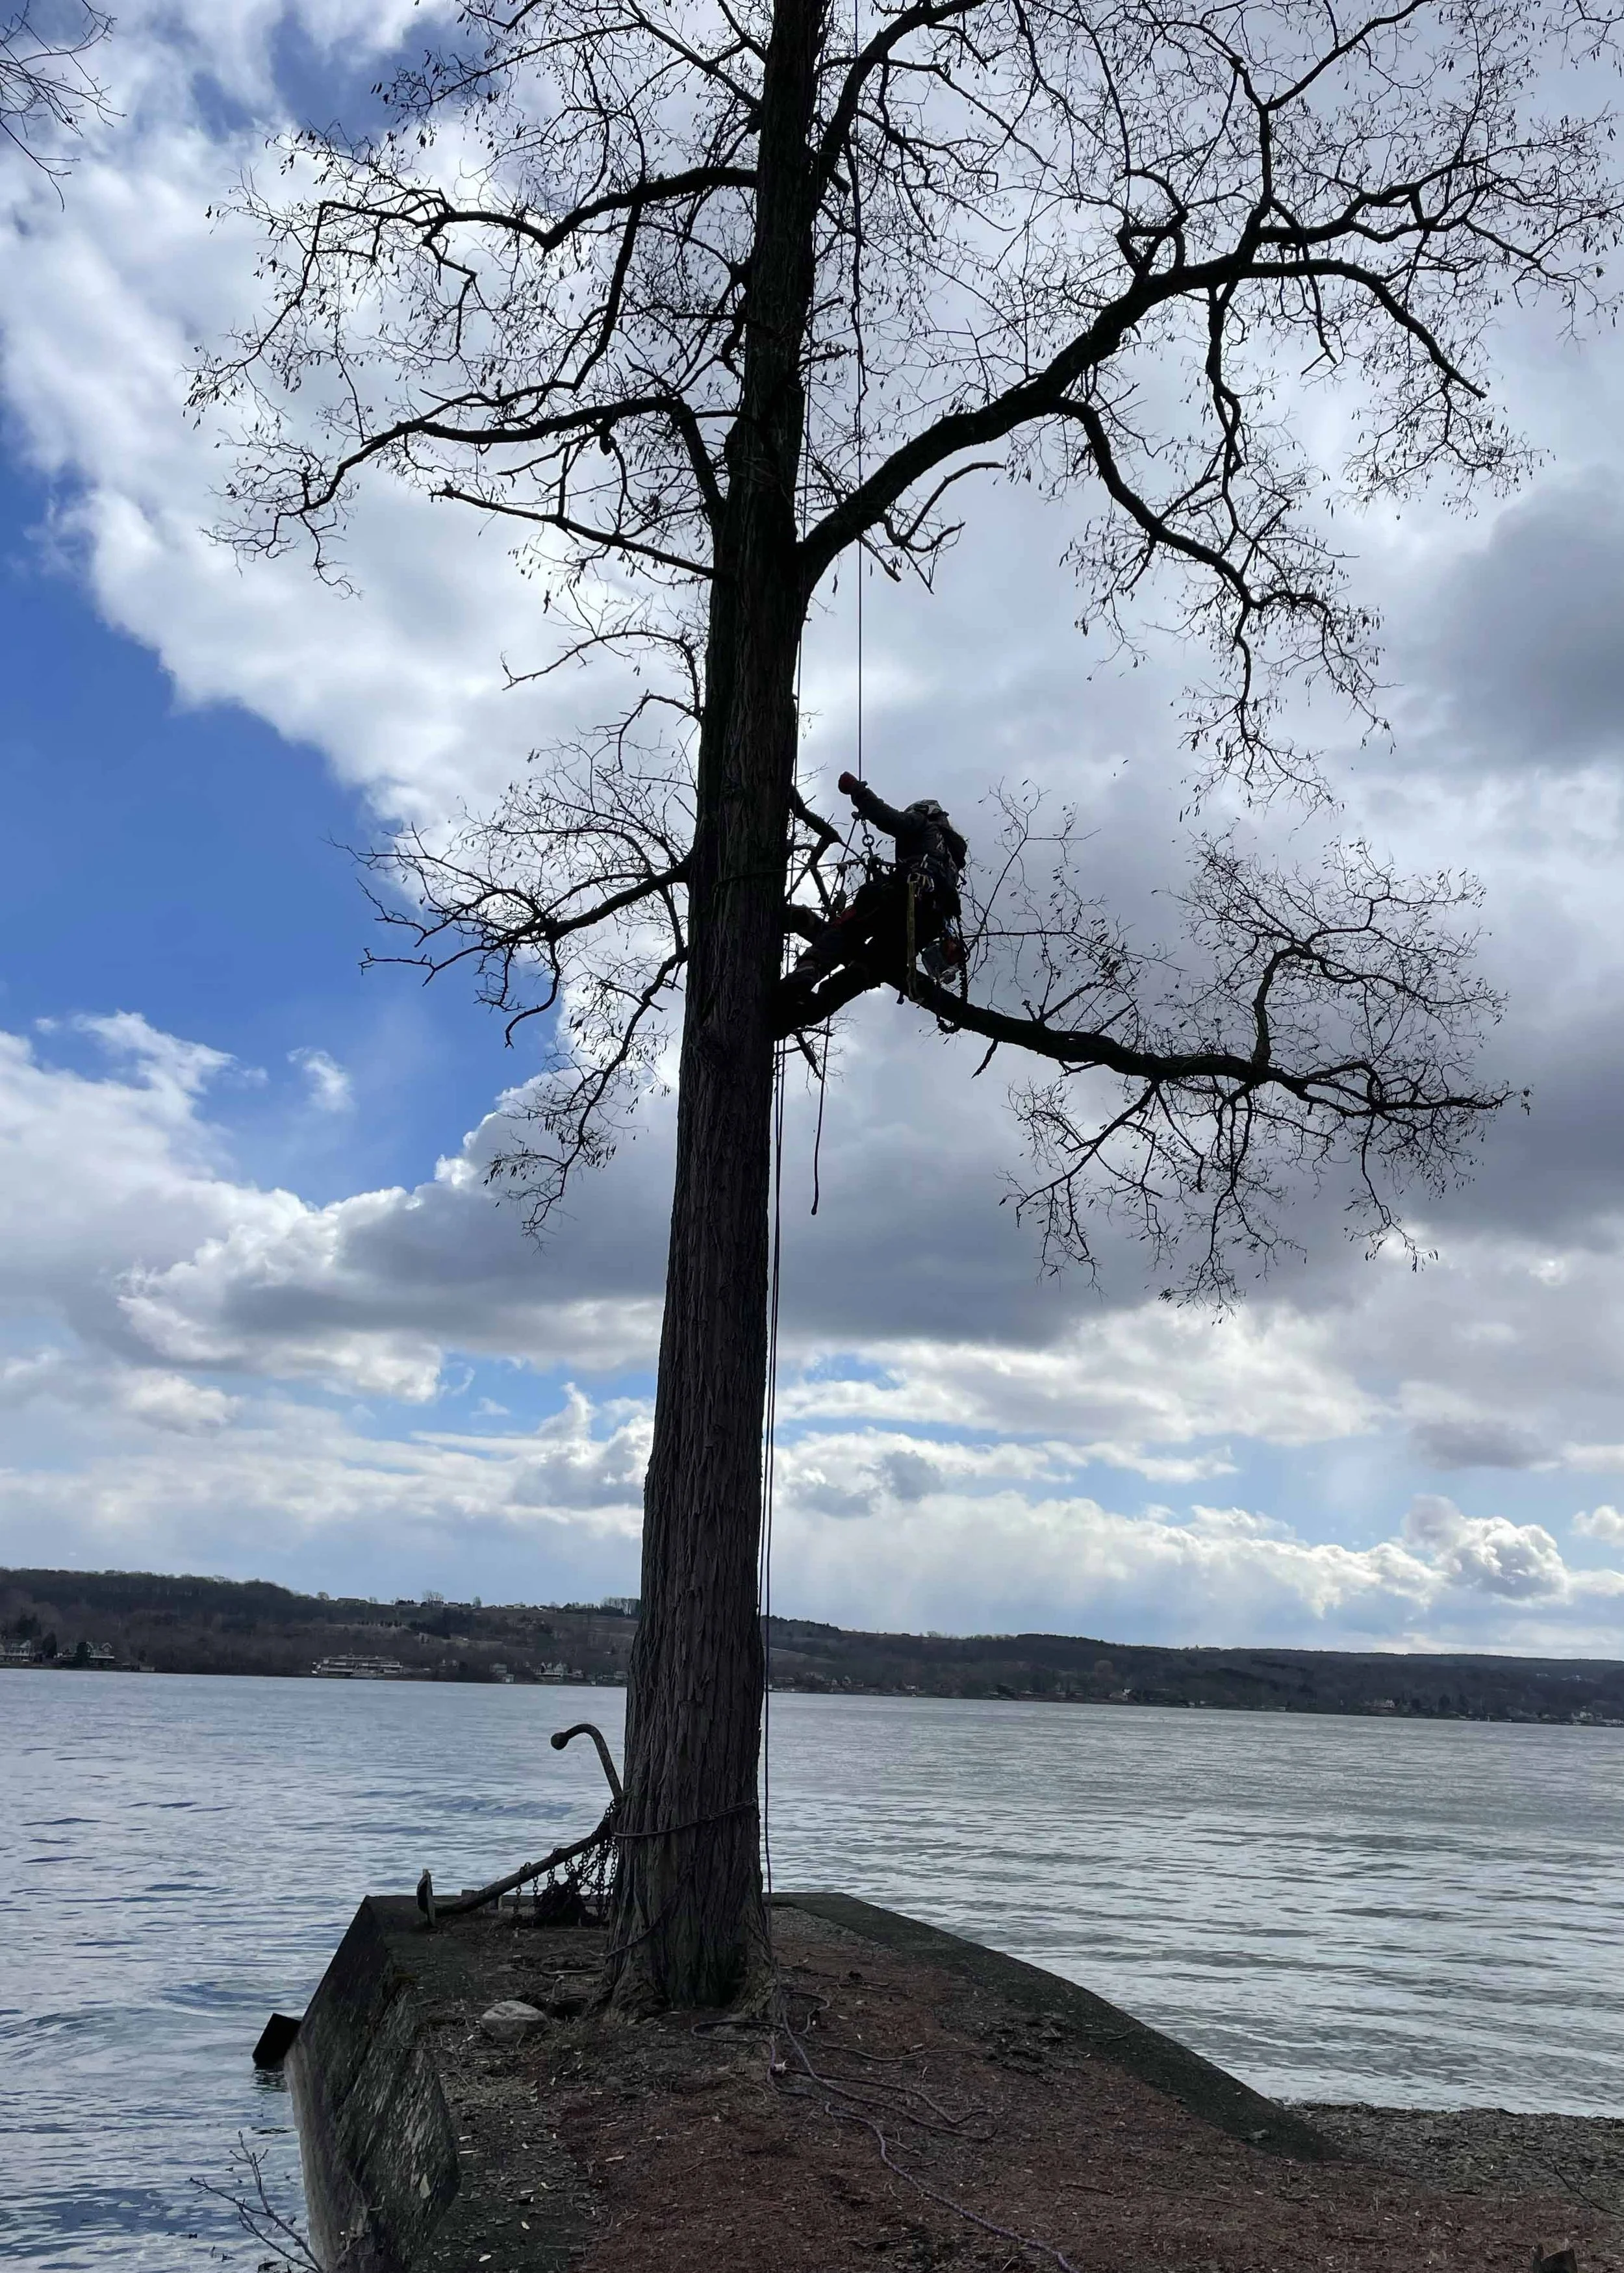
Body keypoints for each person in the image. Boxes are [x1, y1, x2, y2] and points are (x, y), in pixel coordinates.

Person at [781, 771, 967, 1016]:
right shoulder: (951, 861)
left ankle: (809, 970)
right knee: (872, 965)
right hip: (926, 928)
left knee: (847, 929)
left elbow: (889, 819)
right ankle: (817, 1006)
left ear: (925, 812)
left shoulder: (924, 825)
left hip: (904, 897)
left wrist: (857, 791)